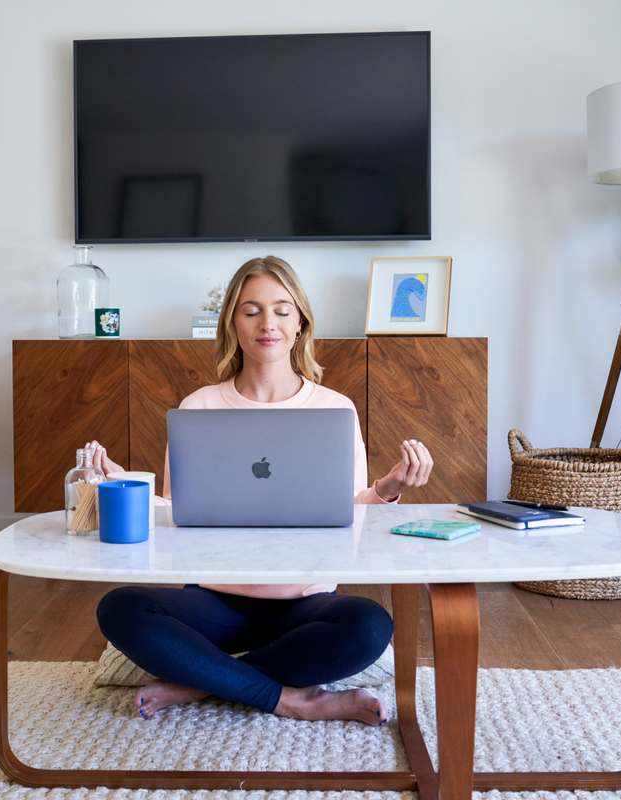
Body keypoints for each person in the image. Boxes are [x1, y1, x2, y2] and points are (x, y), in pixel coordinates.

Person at [91, 256, 433, 728]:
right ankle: (295, 701)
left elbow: (348, 512)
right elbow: (177, 514)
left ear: (300, 324)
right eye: (250, 310)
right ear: (232, 322)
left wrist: (387, 489)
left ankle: (199, 683)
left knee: (369, 624)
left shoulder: (335, 409)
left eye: (281, 310)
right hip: (215, 599)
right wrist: (125, 485)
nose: (266, 323)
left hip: (305, 599)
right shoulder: (200, 407)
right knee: (120, 608)